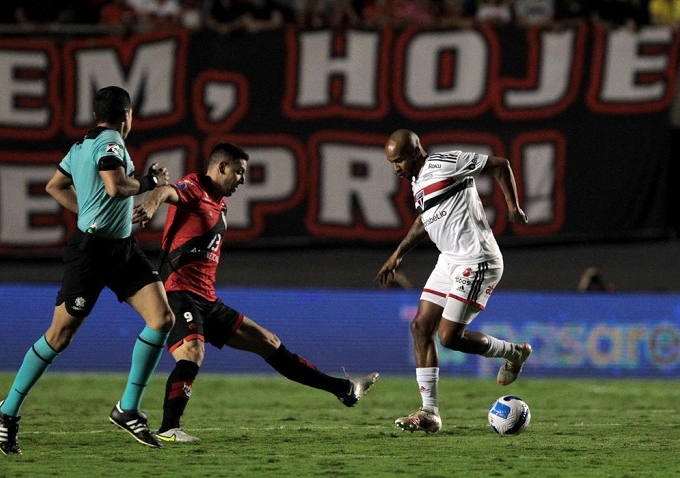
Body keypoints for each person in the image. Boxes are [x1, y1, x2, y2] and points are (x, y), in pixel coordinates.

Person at [132, 142, 379, 443]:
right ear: (222, 167)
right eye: (239, 172)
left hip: (207, 300)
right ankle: (169, 428)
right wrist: (150, 205)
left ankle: (344, 389)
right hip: (178, 294)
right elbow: (165, 191)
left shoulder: (220, 204)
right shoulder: (194, 187)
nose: (242, 180)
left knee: (269, 342)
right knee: (192, 352)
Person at [0, 86, 175, 455]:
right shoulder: (111, 143)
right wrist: (151, 183)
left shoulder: (80, 147)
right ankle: (6, 412)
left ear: (95, 115)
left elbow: (54, 186)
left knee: (161, 318)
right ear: (127, 115)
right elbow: (116, 186)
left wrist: (88, 211)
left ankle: (127, 408)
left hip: (122, 249)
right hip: (91, 254)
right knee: (59, 336)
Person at [375, 129, 532, 434]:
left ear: (416, 152)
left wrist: (513, 206)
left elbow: (500, 164)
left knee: (449, 338)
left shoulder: (446, 163)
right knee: (420, 327)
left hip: (477, 259)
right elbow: (425, 222)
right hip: (449, 260)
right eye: (392, 162)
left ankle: (515, 352)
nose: (395, 168)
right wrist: (397, 254)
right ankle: (429, 413)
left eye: (399, 161)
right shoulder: (417, 182)